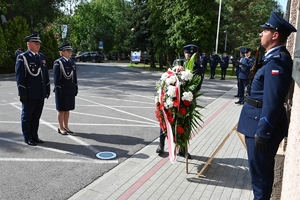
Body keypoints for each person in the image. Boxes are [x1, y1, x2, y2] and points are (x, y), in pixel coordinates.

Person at [237, 12, 296, 200]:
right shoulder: (272, 58)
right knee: (260, 178)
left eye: (265, 30)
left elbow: (273, 100)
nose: (261, 34)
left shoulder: (278, 61)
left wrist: (263, 132)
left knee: (260, 182)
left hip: (260, 129)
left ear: (275, 35)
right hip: (255, 124)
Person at [15, 33, 50, 146]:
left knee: (36, 116)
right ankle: (28, 137)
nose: (38, 45)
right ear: (29, 44)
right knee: (27, 116)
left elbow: (45, 75)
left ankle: (35, 136)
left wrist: (47, 89)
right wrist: (22, 92)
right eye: (36, 43)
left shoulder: (41, 57)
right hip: (29, 93)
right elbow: (20, 77)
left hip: (40, 93)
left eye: (39, 43)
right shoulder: (23, 57)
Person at [53, 43, 78, 135]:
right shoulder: (58, 62)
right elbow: (56, 78)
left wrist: (76, 87)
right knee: (61, 109)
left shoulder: (71, 62)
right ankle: (61, 127)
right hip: (62, 89)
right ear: (62, 52)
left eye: (70, 51)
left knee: (67, 109)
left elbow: (74, 76)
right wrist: (58, 89)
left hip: (70, 89)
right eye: (68, 51)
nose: (70, 53)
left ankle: (66, 126)